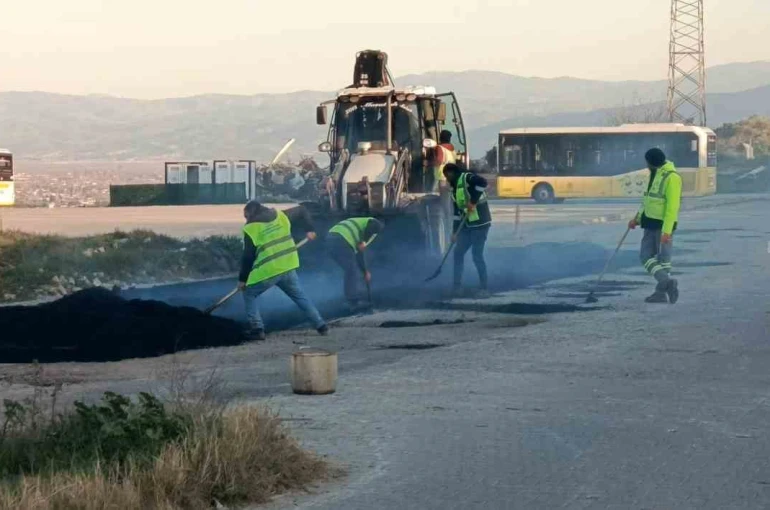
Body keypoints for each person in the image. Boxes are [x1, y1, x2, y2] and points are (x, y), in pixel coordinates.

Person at [238, 201, 328, 341]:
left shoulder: (251, 228)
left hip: (269, 271)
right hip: (287, 266)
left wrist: (243, 280)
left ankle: (257, 329)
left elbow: (248, 256)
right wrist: (309, 229)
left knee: (249, 293)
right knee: (300, 296)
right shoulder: (281, 216)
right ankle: (321, 325)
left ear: (251, 214)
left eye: (246, 216)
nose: (246, 220)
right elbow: (302, 210)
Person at [628, 148, 681, 304]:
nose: (646, 165)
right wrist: (637, 219)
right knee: (647, 257)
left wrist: (667, 231)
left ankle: (661, 289)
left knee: (662, 259)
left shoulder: (672, 177)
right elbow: (648, 200)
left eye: (647, 162)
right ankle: (665, 286)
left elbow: (672, 207)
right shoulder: (655, 174)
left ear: (651, 162)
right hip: (649, 222)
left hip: (663, 226)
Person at [443, 163, 492, 298]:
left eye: (447, 176)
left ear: (452, 173)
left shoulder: (467, 177)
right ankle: (457, 287)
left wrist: (473, 201)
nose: (447, 179)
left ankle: (484, 288)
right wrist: (454, 232)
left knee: (477, 255)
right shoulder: (454, 190)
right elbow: (457, 214)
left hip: (480, 224)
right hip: (467, 225)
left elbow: (483, 182)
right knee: (458, 253)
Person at [326, 217, 385, 310]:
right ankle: (352, 302)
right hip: (341, 238)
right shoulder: (373, 223)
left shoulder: (361, 226)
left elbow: (358, 254)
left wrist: (365, 271)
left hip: (330, 238)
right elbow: (372, 225)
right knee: (351, 270)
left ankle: (352, 298)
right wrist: (362, 241)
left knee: (350, 269)